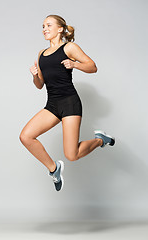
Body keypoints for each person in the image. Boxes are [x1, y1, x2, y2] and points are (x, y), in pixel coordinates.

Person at [19, 14, 115, 192]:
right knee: (26, 136)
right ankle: (54, 169)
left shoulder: (69, 47)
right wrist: (34, 76)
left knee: (72, 155)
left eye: (48, 25)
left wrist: (74, 64)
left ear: (60, 29)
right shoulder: (41, 54)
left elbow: (92, 67)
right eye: (43, 26)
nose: (44, 29)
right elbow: (40, 85)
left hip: (70, 102)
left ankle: (100, 140)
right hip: (52, 105)